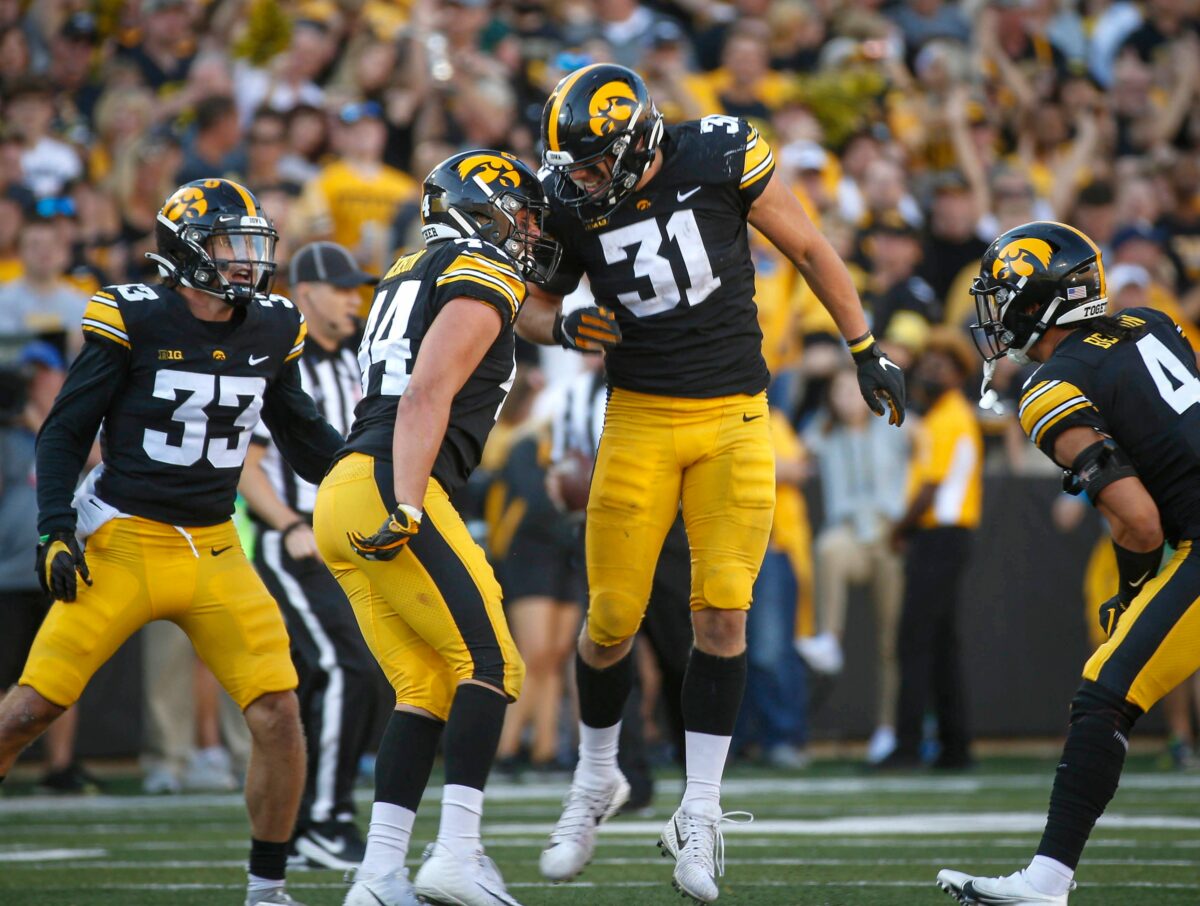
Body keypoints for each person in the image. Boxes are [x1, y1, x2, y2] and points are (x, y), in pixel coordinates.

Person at [517, 63, 906, 904]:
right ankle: (596, 779)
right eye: (571, 164)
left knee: (722, 614)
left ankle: (700, 810)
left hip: (735, 416)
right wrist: (561, 325)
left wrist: (864, 345)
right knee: (612, 622)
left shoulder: (721, 153)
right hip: (640, 419)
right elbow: (528, 306)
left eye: (590, 163)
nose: (577, 179)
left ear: (636, 142)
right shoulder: (567, 202)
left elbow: (807, 244)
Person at [0, 178, 345, 906]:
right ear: (187, 251)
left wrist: (364, 475)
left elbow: (302, 432)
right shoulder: (135, 316)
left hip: (217, 547)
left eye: (252, 245)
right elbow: (65, 428)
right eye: (230, 245)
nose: (248, 261)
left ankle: (267, 889)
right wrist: (56, 529)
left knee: (279, 714)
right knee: (30, 710)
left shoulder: (272, 326)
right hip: (125, 540)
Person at [316, 149, 559, 906]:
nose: (525, 232)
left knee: (425, 684)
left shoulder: (408, 268)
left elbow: (533, 323)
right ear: (479, 208)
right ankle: (457, 853)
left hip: (346, 488)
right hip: (395, 480)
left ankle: (379, 874)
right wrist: (411, 502)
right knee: (493, 663)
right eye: (518, 214)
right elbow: (426, 394)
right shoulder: (479, 272)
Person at [938, 220, 1200, 904]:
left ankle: (1048, 882)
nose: (994, 314)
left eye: (1005, 297)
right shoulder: (1151, 322)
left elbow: (1140, 522)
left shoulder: (1051, 386)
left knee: (1104, 692)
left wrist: (1132, 592)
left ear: (1042, 301)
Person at [239, 240, 382, 869]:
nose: (354, 299)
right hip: (293, 541)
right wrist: (291, 520)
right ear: (306, 292)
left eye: (356, 288)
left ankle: (300, 823)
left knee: (322, 684)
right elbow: (249, 463)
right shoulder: (279, 358)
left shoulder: (360, 359)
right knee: (346, 668)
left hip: (349, 542)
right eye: (342, 288)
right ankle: (325, 818)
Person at [879, 327, 982, 771]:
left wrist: (898, 529)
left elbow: (930, 489)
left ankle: (907, 746)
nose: (930, 372)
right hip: (944, 538)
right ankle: (954, 746)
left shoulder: (949, 417)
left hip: (940, 536)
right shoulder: (943, 415)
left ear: (959, 373)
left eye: (941, 366)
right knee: (940, 644)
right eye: (927, 364)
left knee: (914, 641)